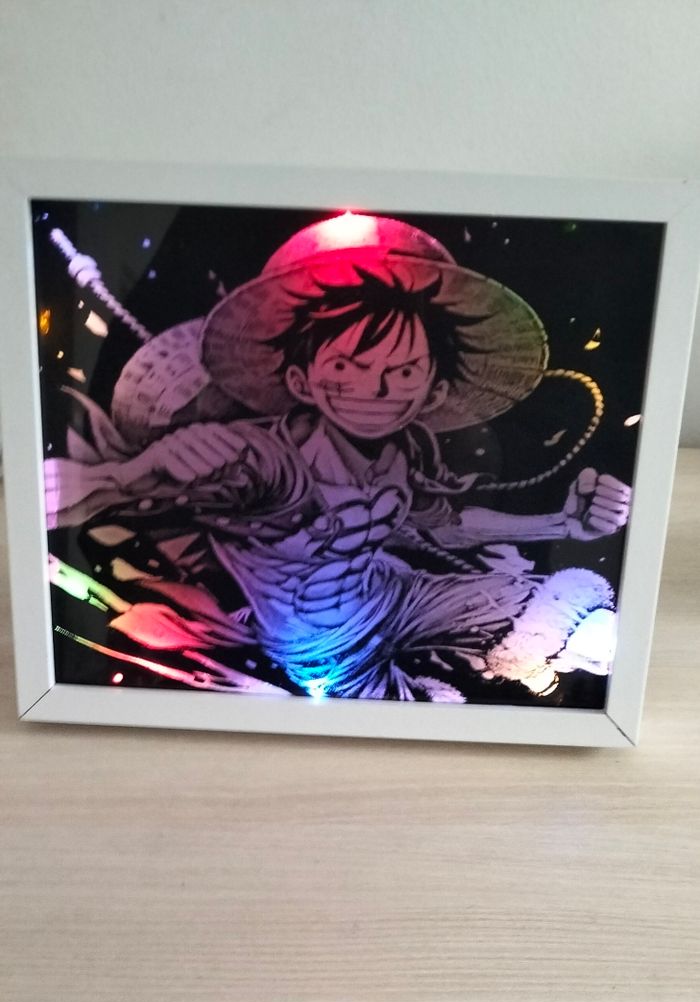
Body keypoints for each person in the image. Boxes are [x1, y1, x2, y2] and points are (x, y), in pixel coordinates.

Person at [45, 211, 630, 700]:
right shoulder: (262, 458)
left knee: (580, 628)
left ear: (433, 390)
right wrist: (116, 475)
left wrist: (559, 524)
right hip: (322, 651)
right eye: (348, 367)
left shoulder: (399, 452)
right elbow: (132, 482)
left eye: (404, 371)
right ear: (302, 380)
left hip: (399, 596)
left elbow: (446, 526)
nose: (377, 390)